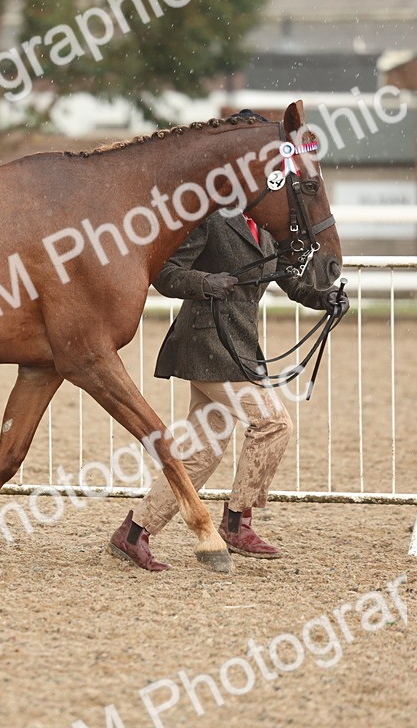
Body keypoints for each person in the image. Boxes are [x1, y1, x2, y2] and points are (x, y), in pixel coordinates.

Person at [109, 209, 348, 571]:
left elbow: (290, 279)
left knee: (202, 452)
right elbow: (166, 274)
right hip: (206, 345)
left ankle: (133, 533)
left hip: (238, 348)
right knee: (273, 423)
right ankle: (236, 523)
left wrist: (325, 298)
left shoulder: (267, 227)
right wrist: (206, 283)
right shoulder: (210, 219)